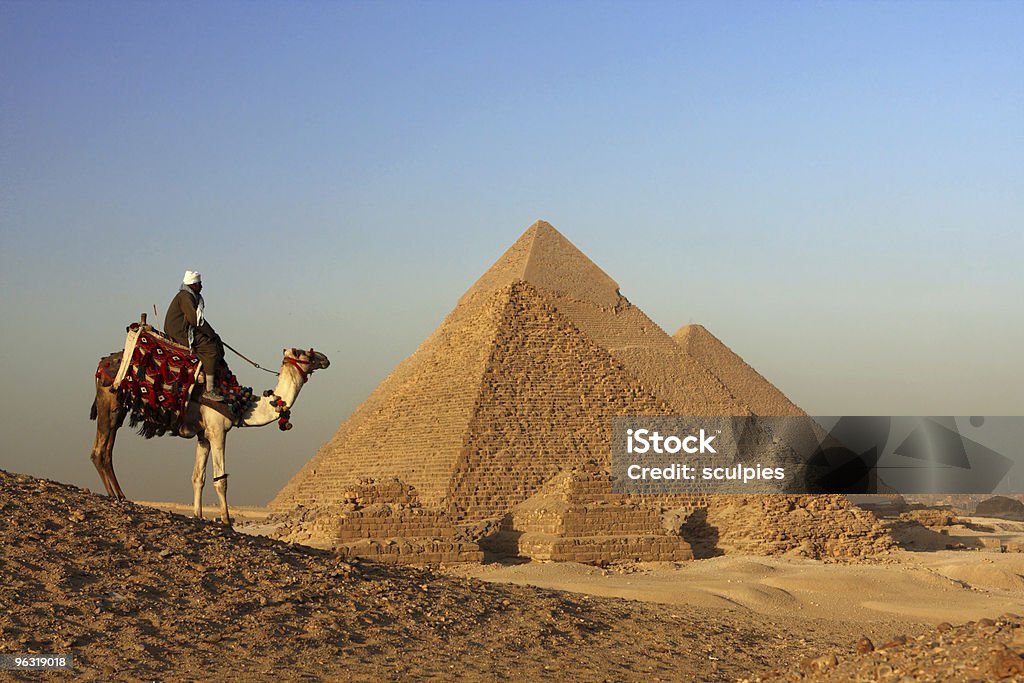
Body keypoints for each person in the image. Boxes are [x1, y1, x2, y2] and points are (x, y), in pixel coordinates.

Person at [164, 270, 226, 401]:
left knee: (216, 340)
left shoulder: (191, 296)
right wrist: (210, 333)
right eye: (199, 284)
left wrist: (213, 334)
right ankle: (209, 389)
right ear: (193, 285)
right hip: (180, 332)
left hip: (185, 328)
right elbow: (195, 320)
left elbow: (197, 320)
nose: (201, 286)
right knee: (210, 349)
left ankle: (213, 375)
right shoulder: (186, 296)